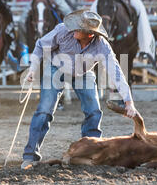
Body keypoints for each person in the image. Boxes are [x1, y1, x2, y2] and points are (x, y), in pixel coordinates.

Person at [21, 9, 139, 170]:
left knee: (94, 111)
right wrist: (33, 68)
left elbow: (116, 72)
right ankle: (30, 156)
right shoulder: (63, 31)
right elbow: (41, 44)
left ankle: (91, 152)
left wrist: (128, 101)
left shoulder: (102, 46)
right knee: (44, 111)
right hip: (56, 67)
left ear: (89, 34)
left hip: (83, 73)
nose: (74, 28)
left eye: (79, 28)